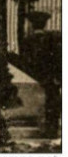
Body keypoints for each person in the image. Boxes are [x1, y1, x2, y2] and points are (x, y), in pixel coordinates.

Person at [19, 11, 61, 139]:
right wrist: (58, 78)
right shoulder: (52, 40)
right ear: (44, 24)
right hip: (50, 78)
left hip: (33, 76)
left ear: (32, 25)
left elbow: (24, 61)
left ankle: (41, 128)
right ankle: (51, 130)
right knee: (52, 103)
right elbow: (58, 59)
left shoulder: (27, 41)